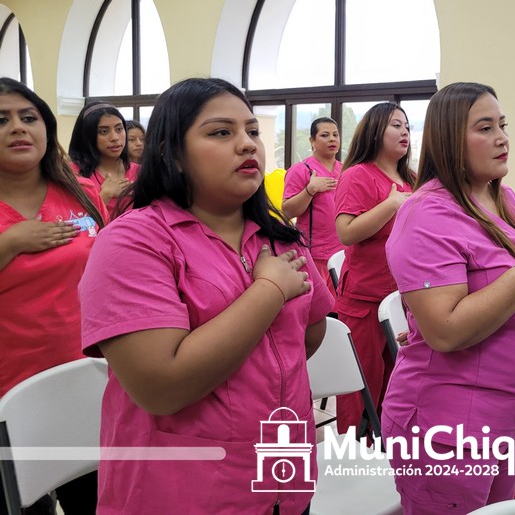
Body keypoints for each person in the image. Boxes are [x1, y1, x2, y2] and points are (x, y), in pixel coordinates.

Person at [78, 78, 332, 515]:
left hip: (284, 480)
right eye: (221, 132)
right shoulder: (132, 242)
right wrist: (269, 291)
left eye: (252, 131)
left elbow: (308, 335)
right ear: (172, 153)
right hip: (184, 492)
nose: (247, 144)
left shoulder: (277, 236)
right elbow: (162, 386)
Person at [382, 82, 515, 514]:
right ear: (449, 139)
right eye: (485, 128)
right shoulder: (426, 212)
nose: (502, 138)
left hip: (509, 409)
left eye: (503, 125)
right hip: (449, 422)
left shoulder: (505, 198)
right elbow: (445, 330)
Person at [0, 77, 106, 515]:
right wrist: (10, 243)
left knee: (95, 502)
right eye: (1, 119)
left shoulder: (82, 192)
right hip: (9, 394)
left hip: (87, 382)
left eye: (29, 117)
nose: (17, 127)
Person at [333, 102, 414, 435]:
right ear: (375, 130)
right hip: (365, 300)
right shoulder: (358, 175)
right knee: (360, 389)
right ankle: (351, 453)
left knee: (395, 385)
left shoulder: (410, 178)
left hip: (403, 299)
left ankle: (385, 451)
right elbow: (346, 232)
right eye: (396, 125)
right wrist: (391, 204)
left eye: (407, 126)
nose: (405, 131)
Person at [283, 117, 342, 298]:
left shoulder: (346, 170)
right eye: (325, 135)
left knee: (339, 306)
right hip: (314, 254)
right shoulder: (301, 170)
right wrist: (310, 190)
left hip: (343, 253)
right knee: (317, 304)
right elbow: (287, 211)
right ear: (312, 140)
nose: (332, 139)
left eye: (335, 135)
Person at [68, 103, 139, 218]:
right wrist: (106, 194)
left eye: (119, 129)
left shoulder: (140, 172)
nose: (115, 137)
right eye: (104, 132)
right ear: (87, 136)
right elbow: (72, 220)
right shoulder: (73, 173)